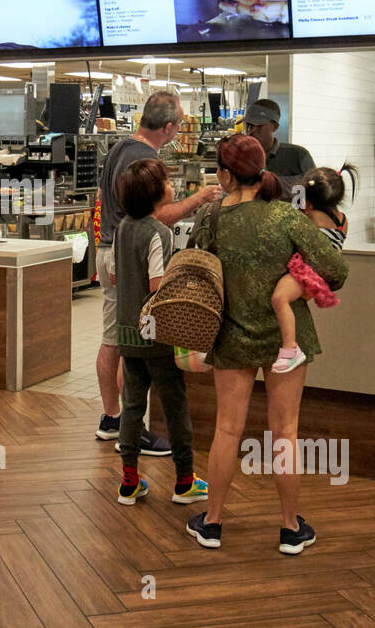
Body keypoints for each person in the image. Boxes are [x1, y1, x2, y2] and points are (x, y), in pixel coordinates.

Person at [184, 134, 347, 555]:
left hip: (232, 336)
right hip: (285, 342)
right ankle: (291, 528)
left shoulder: (211, 218)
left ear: (224, 174)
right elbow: (335, 267)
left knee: (226, 429)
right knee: (285, 434)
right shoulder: (286, 217)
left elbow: (194, 270)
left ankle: (213, 523)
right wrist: (298, 288)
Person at [95, 92, 221, 456]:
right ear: (167, 127)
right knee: (134, 348)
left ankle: (112, 419)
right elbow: (155, 220)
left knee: (114, 340)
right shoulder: (147, 159)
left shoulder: (119, 148)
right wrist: (198, 200)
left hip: (110, 251)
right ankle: (131, 431)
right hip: (130, 261)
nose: (180, 130)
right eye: (179, 124)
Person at [106, 158, 208, 507]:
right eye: (166, 180)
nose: (171, 185)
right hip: (155, 333)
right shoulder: (158, 232)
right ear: (154, 192)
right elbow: (155, 284)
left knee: (132, 405)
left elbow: (118, 276)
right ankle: (184, 480)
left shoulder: (122, 229)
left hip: (126, 331)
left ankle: (129, 481)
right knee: (175, 404)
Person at [270, 164, 359, 373]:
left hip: (307, 273)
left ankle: (290, 348)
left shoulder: (309, 218)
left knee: (279, 298)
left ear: (308, 202)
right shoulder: (342, 220)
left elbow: (291, 223)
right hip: (321, 276)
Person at [242, 99, 316, 202]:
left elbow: (316, 194)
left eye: (259, 126)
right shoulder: (241, 158)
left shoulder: (298, 156)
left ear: (275, 127)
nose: (251, 131)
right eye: (249, 125)